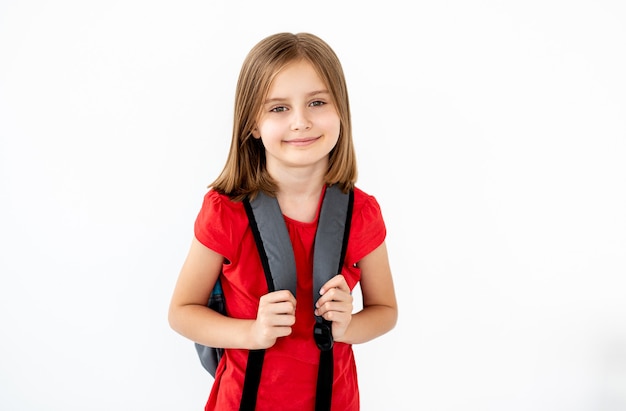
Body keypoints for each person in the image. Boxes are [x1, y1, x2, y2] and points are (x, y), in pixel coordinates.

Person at [168, 32, 398, 411]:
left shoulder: (362, 213)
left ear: (341, 110)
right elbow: (182, 312)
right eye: (278, 108)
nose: (300, 122)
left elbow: (385, 311)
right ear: (253, 124)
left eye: (317, 102)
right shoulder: (225, 212)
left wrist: (349, 327)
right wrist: (253, 331)